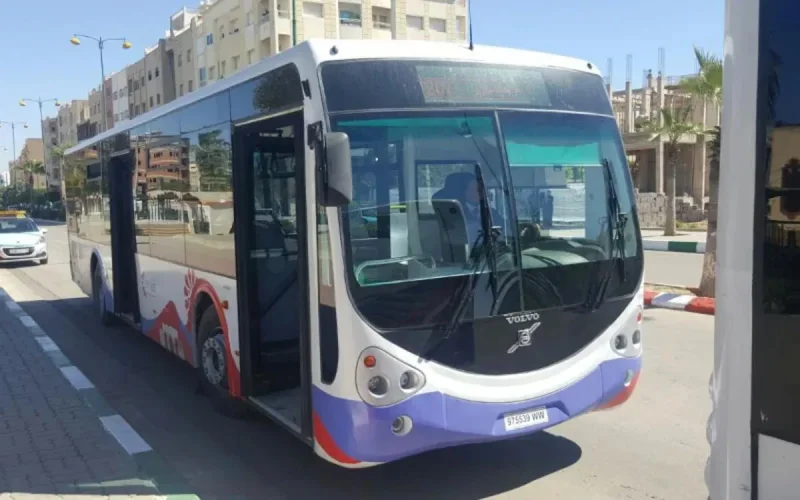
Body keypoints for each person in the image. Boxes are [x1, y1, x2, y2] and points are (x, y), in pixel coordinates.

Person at [432, 171, 505, 246]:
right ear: (463, 192)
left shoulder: (492, 213)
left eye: (481, 189)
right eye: (477, 190)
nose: (482, 193)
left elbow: (506, 232)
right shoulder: (452, 215)